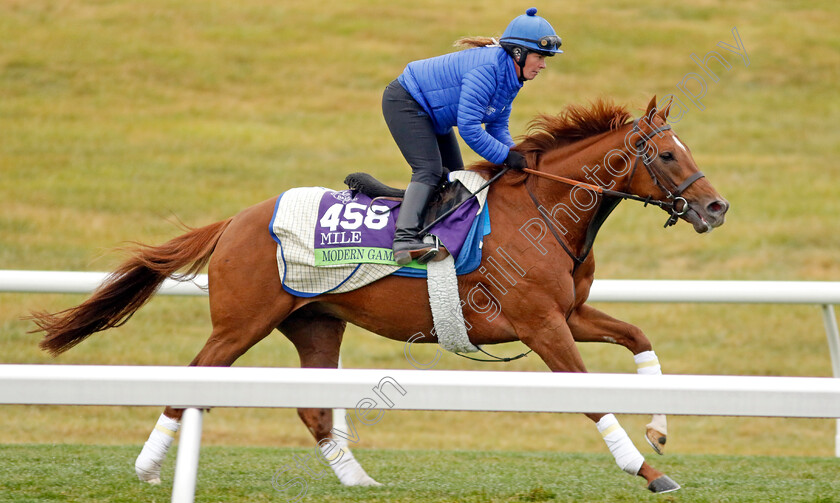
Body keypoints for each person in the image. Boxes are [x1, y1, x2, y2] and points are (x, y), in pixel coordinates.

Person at [383, 7, 562, 266]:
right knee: (429, 170)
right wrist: (505, 156)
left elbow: (497, 125)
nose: (544, 64)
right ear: (519, 54)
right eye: (540, 56)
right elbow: (469, 128)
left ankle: (434, 234)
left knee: (456, 177)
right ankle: (403, 241)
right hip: (406, 102)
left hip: (434, 114)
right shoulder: (488, 70)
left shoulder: (511, 77)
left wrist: (517, 154)